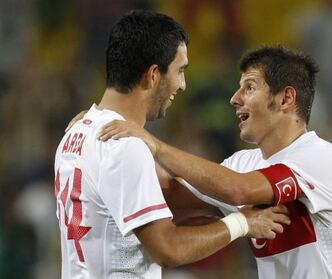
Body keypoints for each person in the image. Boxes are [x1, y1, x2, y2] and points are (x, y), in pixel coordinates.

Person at [54, 10, 291, 279]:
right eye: (180, 71)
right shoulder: (124, 145)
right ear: (153, 75)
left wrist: (212, 223)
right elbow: (167, 248)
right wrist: (242, 223)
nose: (183, 84)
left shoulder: (75, 134)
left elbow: (122, 216)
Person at [96, 45, 332, 278]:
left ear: (286, 98)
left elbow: (240, 189)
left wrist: (155, 145)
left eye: (249, 87)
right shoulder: (242, 163)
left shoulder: (321, 158)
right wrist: (96, 135)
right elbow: (170, 190)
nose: (234, 99)